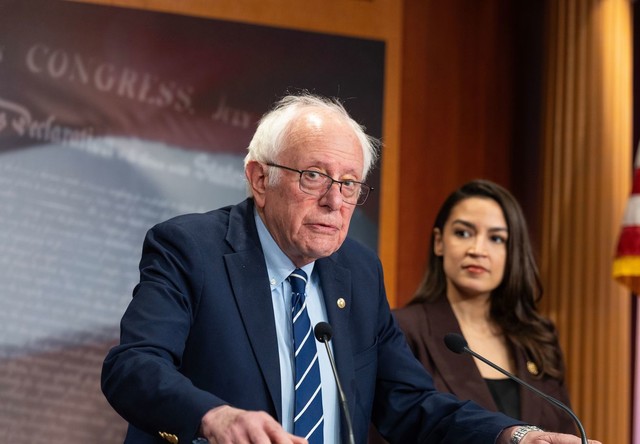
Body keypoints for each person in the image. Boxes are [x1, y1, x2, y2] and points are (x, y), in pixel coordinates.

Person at [101, 93, 598, 444]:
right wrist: (214, 417)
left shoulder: (357, 272)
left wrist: (513, 435)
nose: (334, 201)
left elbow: (409, 403)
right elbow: (133, 367)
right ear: (259, 178)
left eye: (350, 184)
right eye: (313, 176)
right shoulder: (191, 248)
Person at [393, 179, 576, 434]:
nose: (478, 250)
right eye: (463, 233)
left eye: (497, 239)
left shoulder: (538, 337)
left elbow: (564, 431)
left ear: (513, 251)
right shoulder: (404, 330)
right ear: (439, 242)